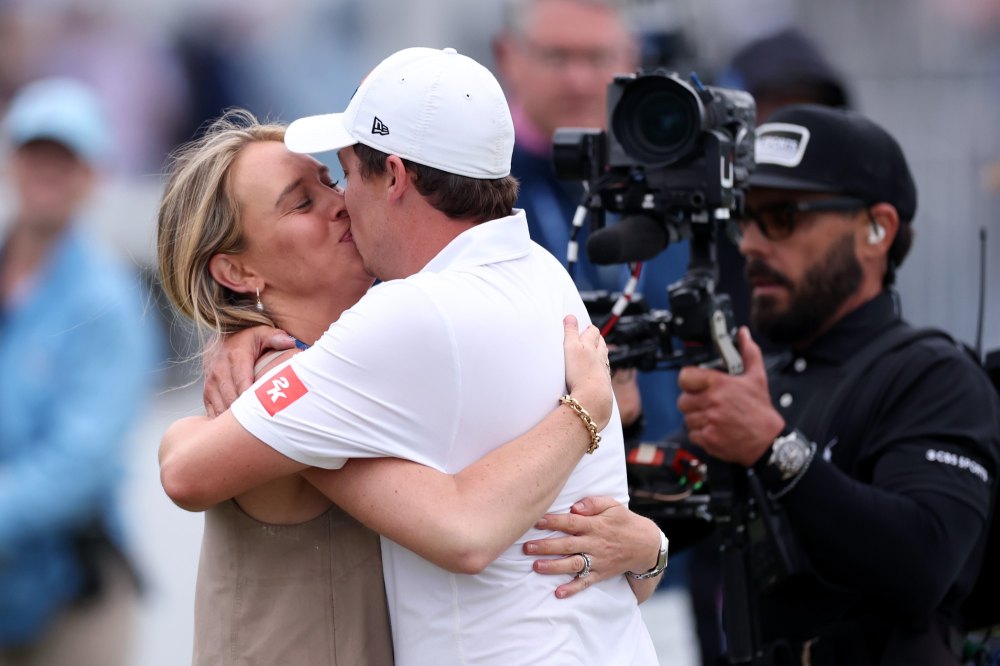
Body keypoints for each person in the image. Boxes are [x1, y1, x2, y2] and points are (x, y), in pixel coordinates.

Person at [157, 47, 666, 664]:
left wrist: (635, 524)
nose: (340, 201)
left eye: (335, 176)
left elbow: (468, 533)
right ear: (235, 269)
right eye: (304, 200)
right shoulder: (541, 274)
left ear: (395, 177)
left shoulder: (398, 325)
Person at [675, 104, 1000, 665]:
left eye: (783, 217)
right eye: (745, 218)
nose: (751, 244)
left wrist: (773, 449)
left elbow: (922, 564)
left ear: (877, 229)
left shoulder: (935, 376)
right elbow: (669, 522)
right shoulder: (764, 381)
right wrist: (613, 422)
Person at [0, 78, 159, 665]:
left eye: (65, 160)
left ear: (92, 175)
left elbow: (78, 461)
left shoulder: (107, 302)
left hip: (72, 589)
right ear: (12, 162)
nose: (48, 172)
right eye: (36, 154)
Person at [492, 0, 691, 441]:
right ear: (506, 55)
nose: (578, 80)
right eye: (557, 57)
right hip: (532, 483)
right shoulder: (471, 187)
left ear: (631, 58)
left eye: (597, 58)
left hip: (668, 477)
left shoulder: (673, 184)